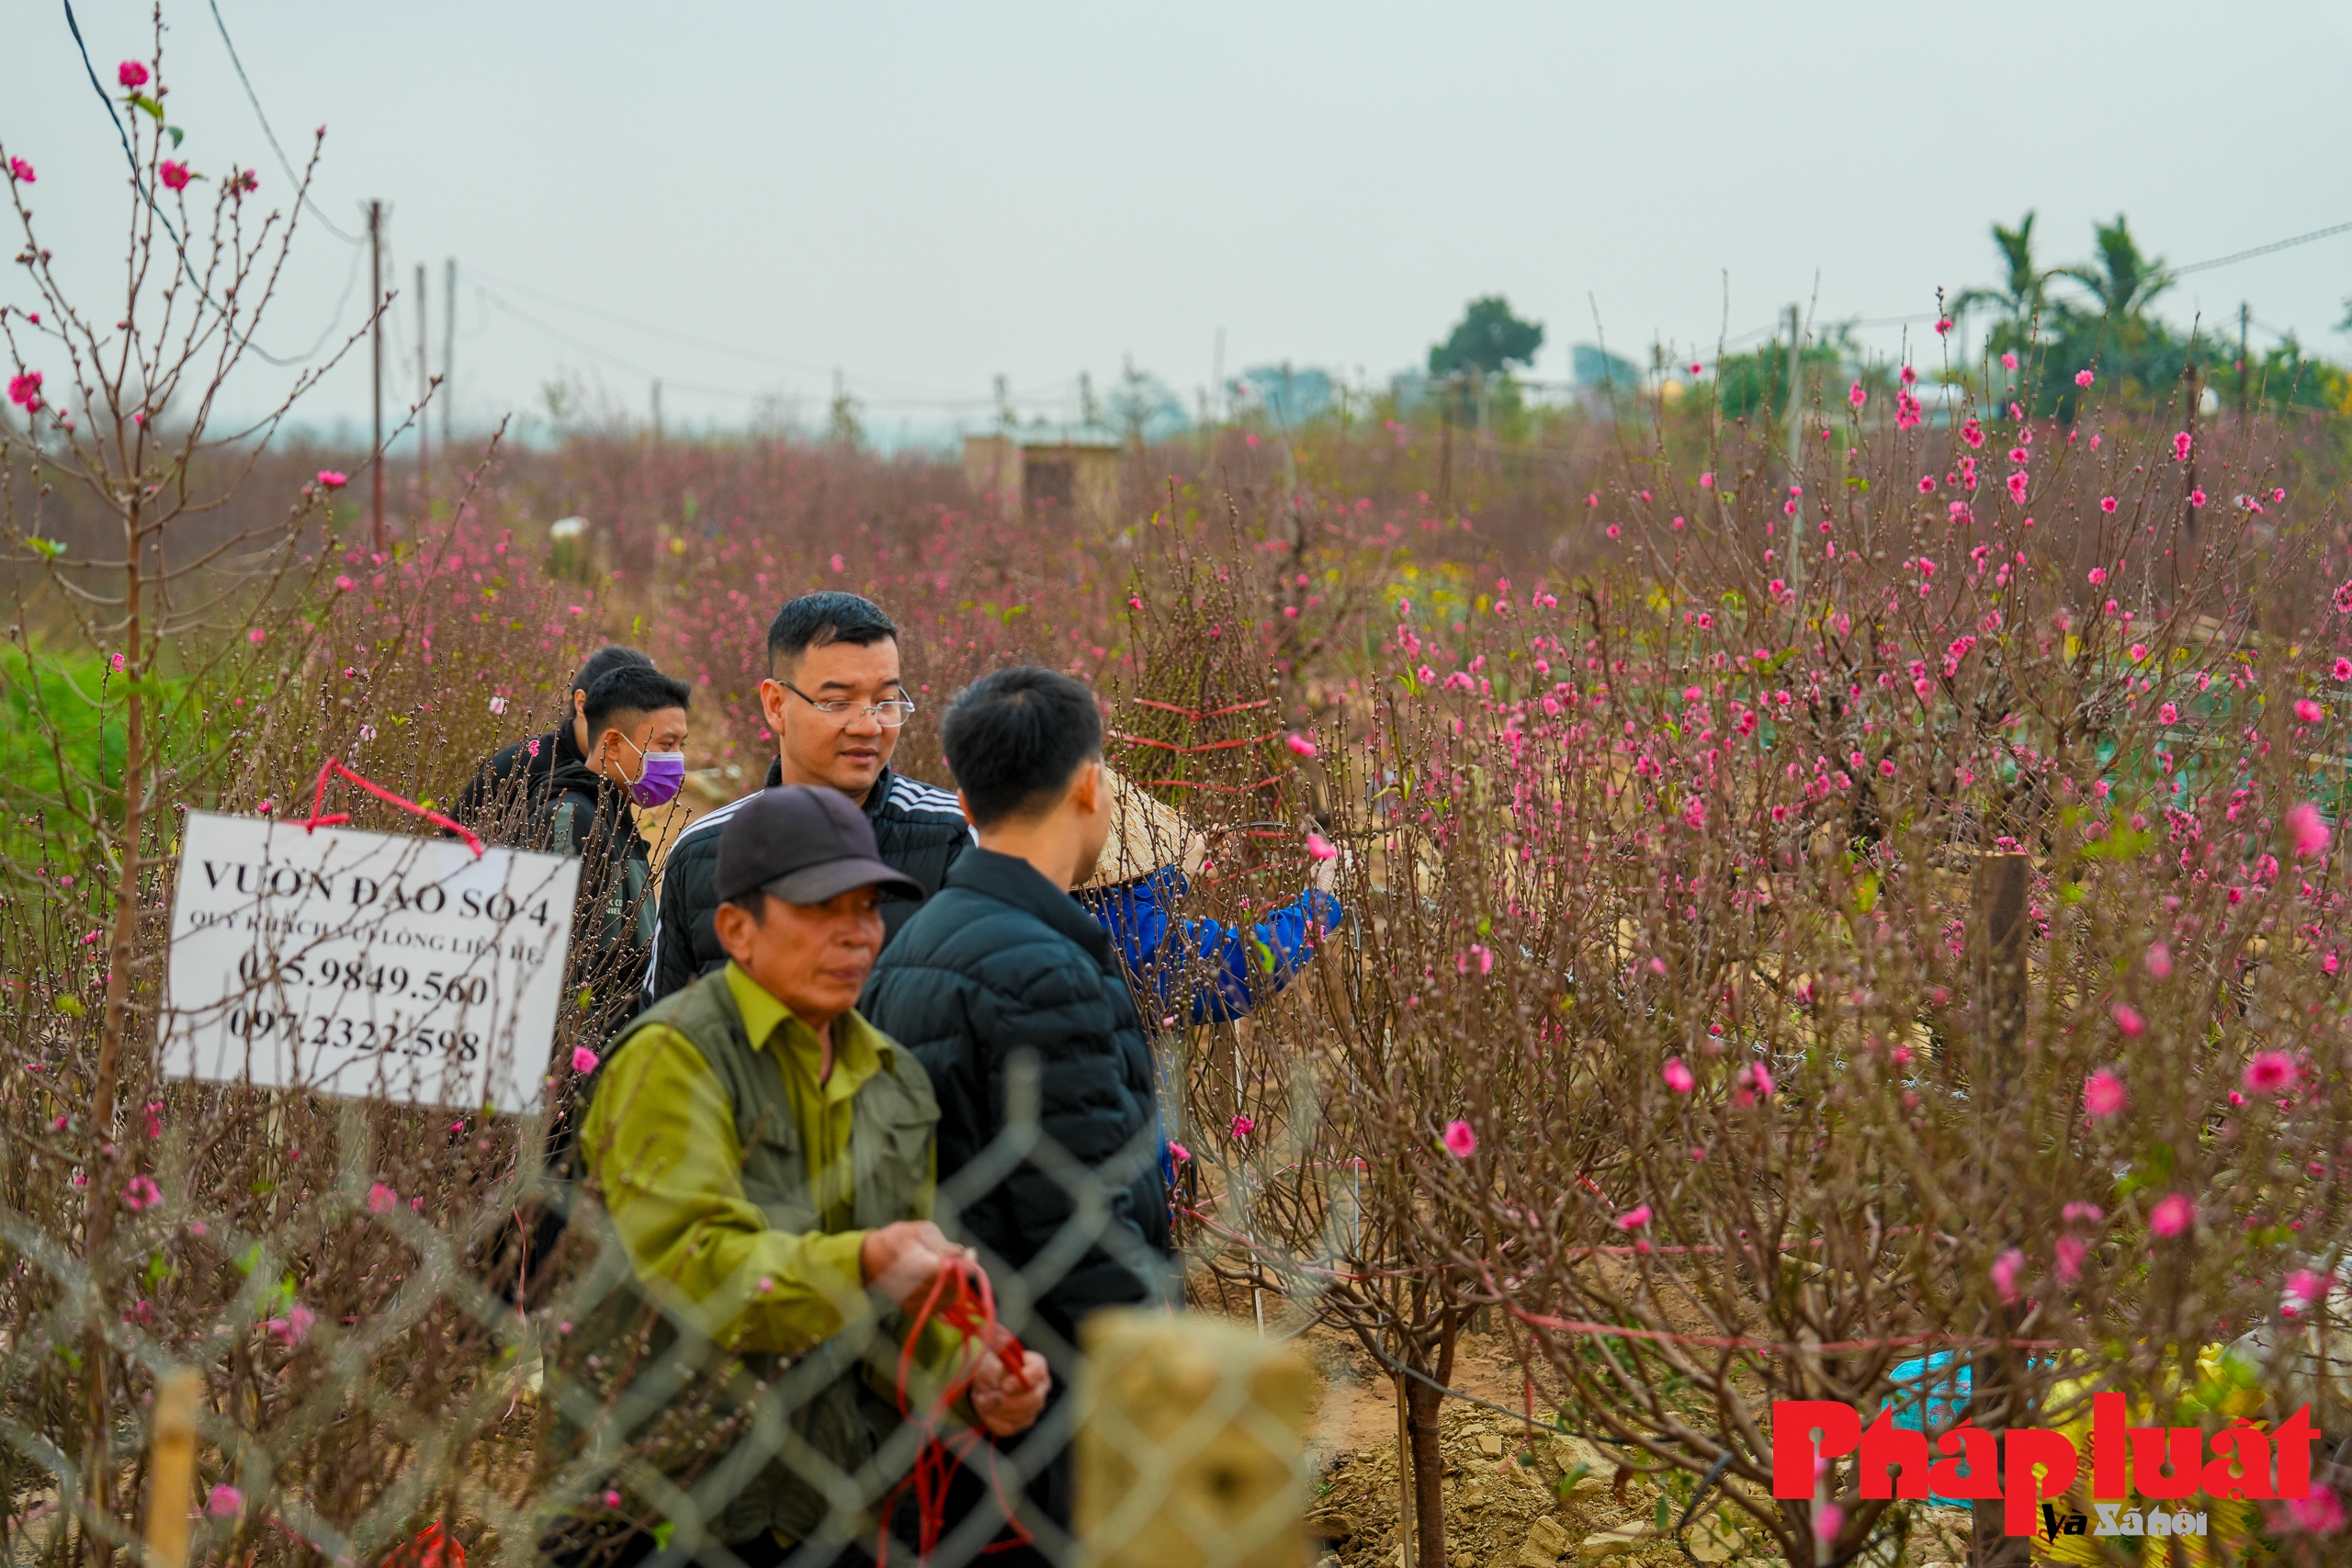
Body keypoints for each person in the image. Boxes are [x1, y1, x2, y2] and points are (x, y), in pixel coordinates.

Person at [548, 786, 1049, 1568]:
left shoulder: (894, 1081)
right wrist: (868, 1262)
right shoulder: (673, 1058)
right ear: (736, 930)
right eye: (821, 910)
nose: (856, 935)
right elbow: (701, 1268)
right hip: (662, 1501)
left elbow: (894, 1312)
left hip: (829, 1502)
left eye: (868, 909)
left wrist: (971, 1364)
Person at [860, 667, 1176, 1557]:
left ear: (961, 798)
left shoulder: (912, 942)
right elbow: (1081, 1228)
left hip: (962, 1378)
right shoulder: (1045, 971)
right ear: (1089, 783)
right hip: (1051, 1415)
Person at [641, 593, 970, 1010]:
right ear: (776, 705)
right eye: (838, 702)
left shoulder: (951, 837)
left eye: (886, 701)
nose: (869, 726)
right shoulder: (701, 853)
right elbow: (665, 1036)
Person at [452, 644, 655, 838]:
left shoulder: (620, 771)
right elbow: (451, 848)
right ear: (582, 703)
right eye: (622, 714)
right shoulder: (519, 767)